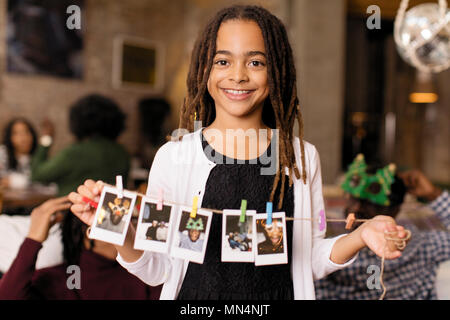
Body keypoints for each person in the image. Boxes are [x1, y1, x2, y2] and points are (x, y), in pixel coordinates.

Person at [69, 5, 409, 300]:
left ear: (276, 71)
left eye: (256, 62)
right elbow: (157, 268)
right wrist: (117, 228)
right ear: (205, 69)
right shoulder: (174, 157)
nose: (237, 76)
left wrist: (361, 235)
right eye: (222, 61)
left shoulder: (302, 157)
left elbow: (310, 258)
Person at [314, 161, 450, 299]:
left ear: (395, 210)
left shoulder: (422, 246)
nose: (356, 209)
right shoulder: (331, 252)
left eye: (370, 204)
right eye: (354, 200)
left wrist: (433, 194)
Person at [0, 196, 162, 299]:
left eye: (133, 219)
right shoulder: (61, 278)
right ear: (88, 230)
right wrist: (33, 239)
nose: (132, 226)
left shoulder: (147, 272)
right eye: (123, 218)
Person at [31, 94, 130, 196]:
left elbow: (37, 175)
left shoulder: (75, 152)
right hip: (109, 209)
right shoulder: (122, 153)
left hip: (72, 209)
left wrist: (46, 138)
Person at [0, 118, 38, 190]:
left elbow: (44, 182)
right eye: (17, 133)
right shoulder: (3, 153)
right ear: (10, 137)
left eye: (26, 132)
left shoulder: (37, 156)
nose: (23, 138)